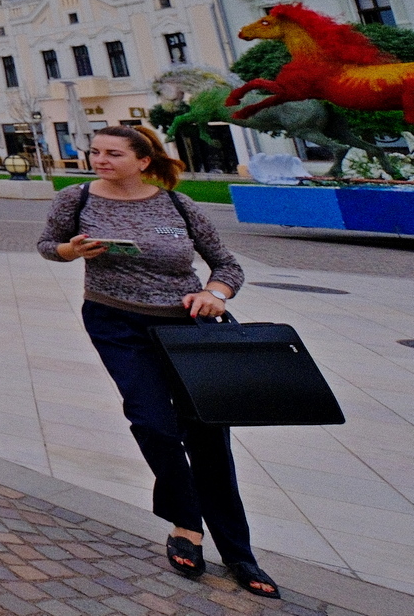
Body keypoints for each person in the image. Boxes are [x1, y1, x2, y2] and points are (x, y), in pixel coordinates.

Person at [37, 125, 279, 599]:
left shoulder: (177, 204)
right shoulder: (76, 198)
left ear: (143, 160)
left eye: (112, 153)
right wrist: (71, 250)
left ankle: (238, 552)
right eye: (95, 152)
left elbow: (227, 265)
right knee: (154, 424)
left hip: (186, 328)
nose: (99, 160)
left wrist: (214, 293)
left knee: (208, 434)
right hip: (115, 322)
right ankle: (186, 524)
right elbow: (49, 245)